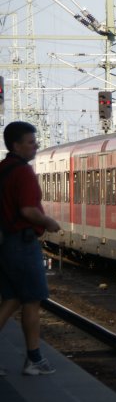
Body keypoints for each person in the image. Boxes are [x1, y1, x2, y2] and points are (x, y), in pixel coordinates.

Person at [0, 121, 61, 376]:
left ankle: (34, 358)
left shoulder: (2, 169)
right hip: (22, 243)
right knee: (32, 300)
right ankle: (34, 359)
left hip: (6, 242)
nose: (35, 146)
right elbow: (27, 210)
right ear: (16, 145)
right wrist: (48, 222)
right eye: (31, 142)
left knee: (12, 299)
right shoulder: (23, 172)